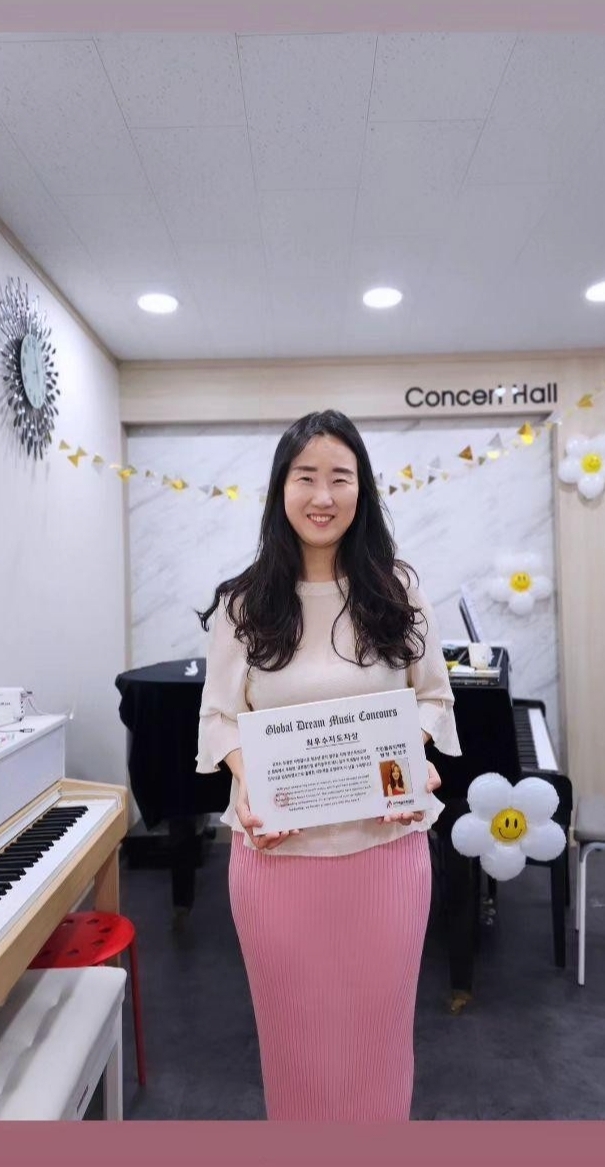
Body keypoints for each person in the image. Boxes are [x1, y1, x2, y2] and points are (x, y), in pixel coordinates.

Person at [196, 409, 461, 1121]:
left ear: (361, 489)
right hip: (277, 859)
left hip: (387, 850)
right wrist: (248, 780)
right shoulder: (244, 603)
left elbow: (432, 698)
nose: (322, 495)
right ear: (281, 489)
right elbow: (218, 717)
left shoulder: (398, 589)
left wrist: (417, 757)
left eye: (340, 477)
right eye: (305, 477)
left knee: (379, 1044)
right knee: (295, 1049)